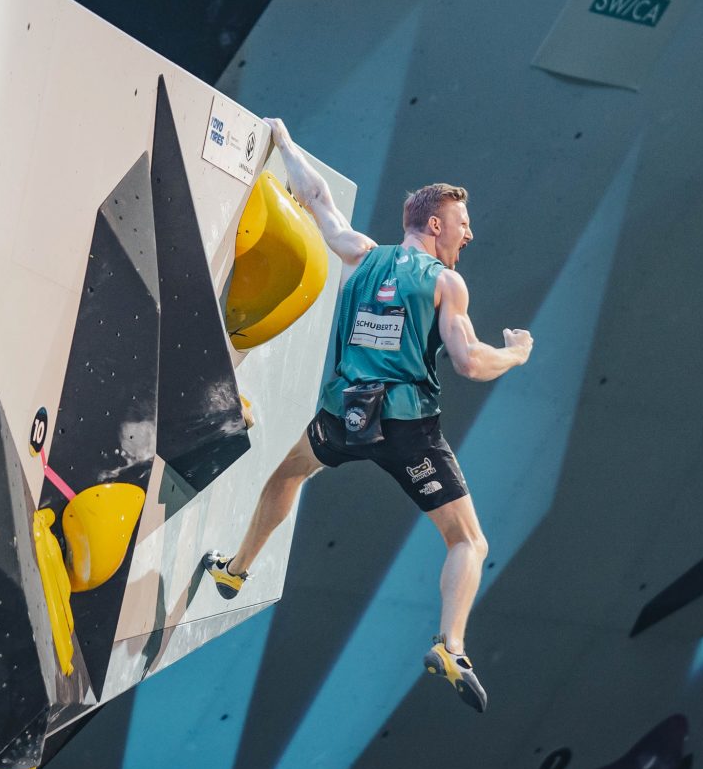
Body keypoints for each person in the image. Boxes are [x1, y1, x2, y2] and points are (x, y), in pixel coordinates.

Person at [204, 118, 533, 712]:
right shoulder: (446, 283)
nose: (470, 233)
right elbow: (468, 363)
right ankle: (452, 646)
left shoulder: (361, 255)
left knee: (288, 475)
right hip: (409, 431)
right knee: (469, 542)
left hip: (347, 416)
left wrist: (284, 141)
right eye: (462, 223)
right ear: (435, 226)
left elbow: (317, 200)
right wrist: (515, 353)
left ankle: (235, 569)